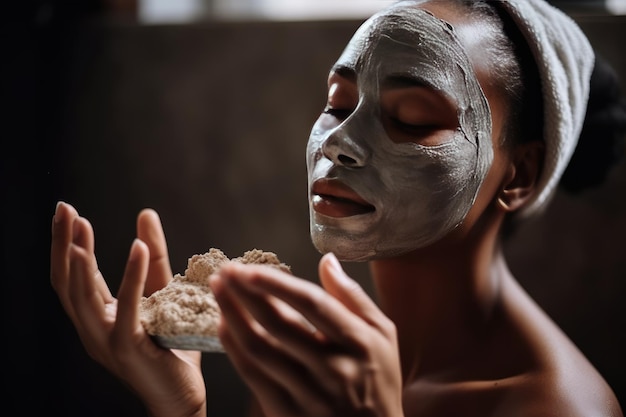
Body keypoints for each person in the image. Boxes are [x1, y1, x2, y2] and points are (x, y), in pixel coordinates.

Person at [50, 0, 626, 416]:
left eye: (412, 118)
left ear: (519, 174)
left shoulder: (557, 406)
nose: (338, 142)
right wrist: (179, 408)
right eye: (337, 104)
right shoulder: (322, 364)